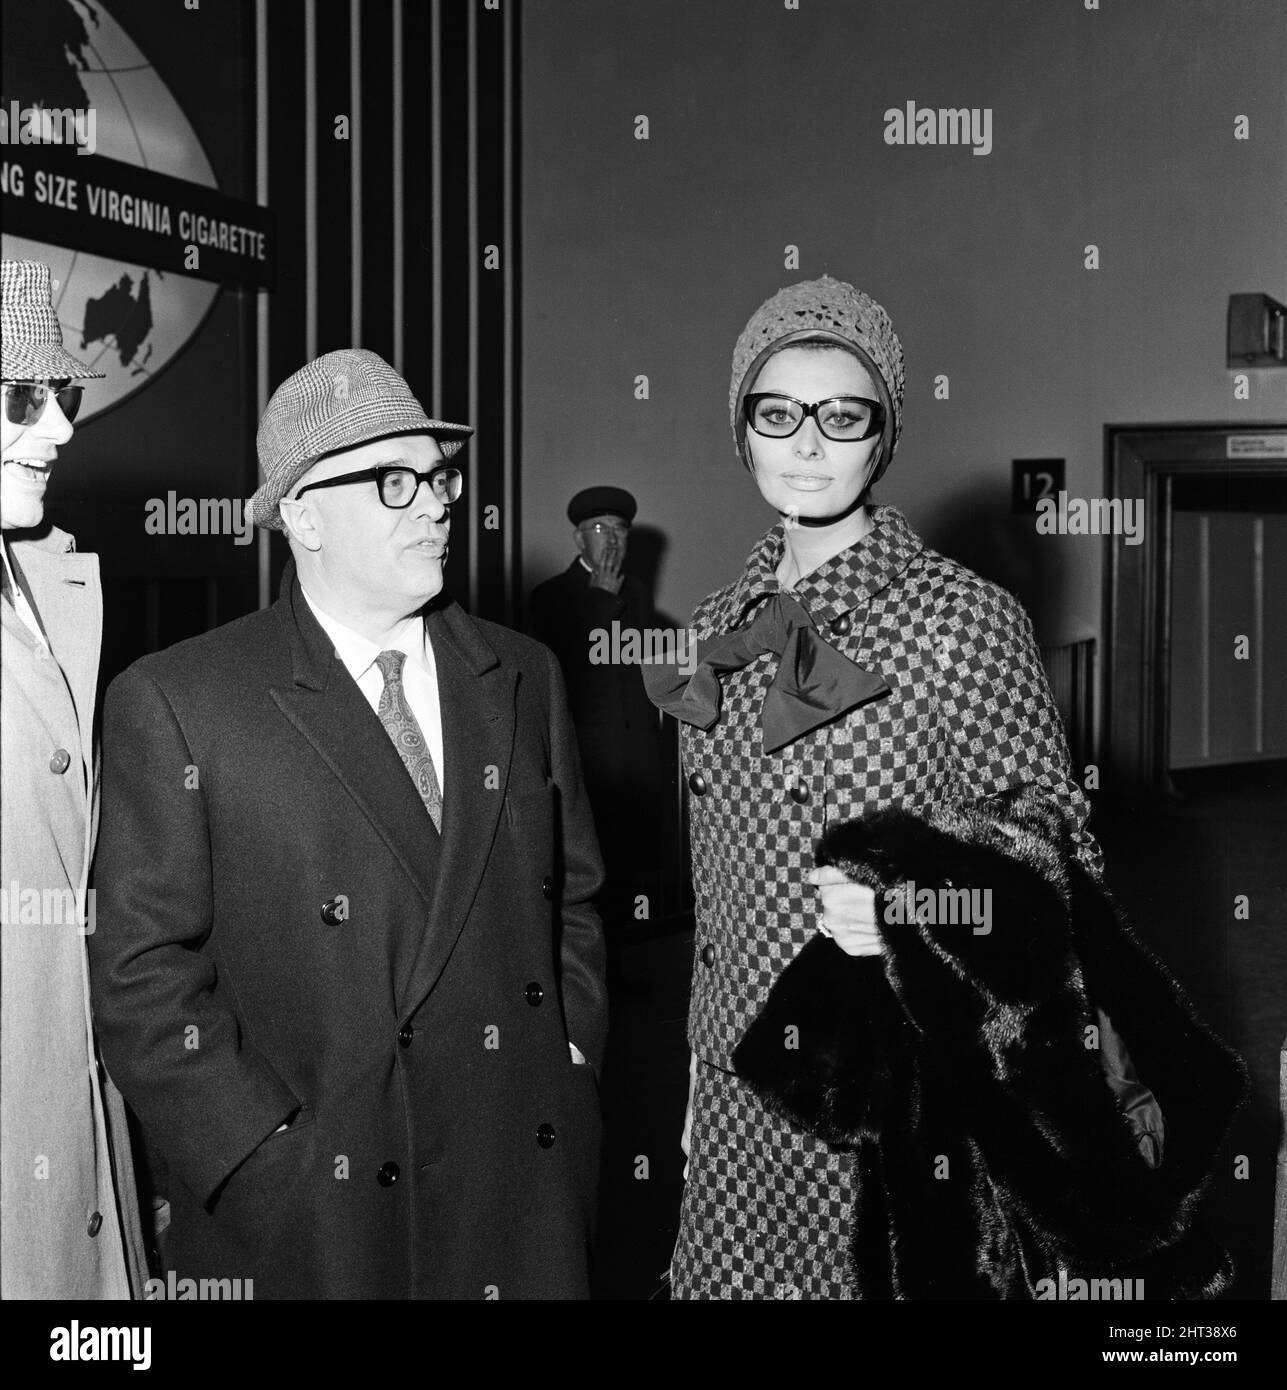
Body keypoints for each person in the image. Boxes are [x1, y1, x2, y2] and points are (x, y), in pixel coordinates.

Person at [644, 276, 1239, 1299]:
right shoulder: (712, 631)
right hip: (744, 1078)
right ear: (740, 431)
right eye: (776, 413)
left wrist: (910, 902)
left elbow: (1057, 848)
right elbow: (718, 893)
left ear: (886, 438)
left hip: (901, 1084)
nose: (809, 443)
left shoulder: (960, 620)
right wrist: (702, 1079)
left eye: (845, 415)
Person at [88, 348, 607, 1299]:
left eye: (440, 476)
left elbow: (573, 898)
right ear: (301, 512)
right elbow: (140, 978)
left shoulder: (523, 674)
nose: (437, 503)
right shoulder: (182, 698)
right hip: (328, 1220)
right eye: (394, 479)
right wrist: (261, 1158)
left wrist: (569, 1059)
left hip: (521, 1194)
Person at [0, 258, 148, 1298]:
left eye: (66, 397)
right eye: (20, 398)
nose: (58, 430)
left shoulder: (50, 584)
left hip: (73, 1104)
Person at [529, 487, 663, 936]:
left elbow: (650, 673)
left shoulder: (640, 595)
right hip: (587, 765)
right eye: (600, 530)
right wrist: (602, 601)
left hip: (636, 761)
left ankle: (628, 970)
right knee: (588, 876)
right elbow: (567, 673)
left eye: (620, 530)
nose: (612, 541)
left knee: (633, 872)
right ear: (578, 539)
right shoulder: (549, 597)